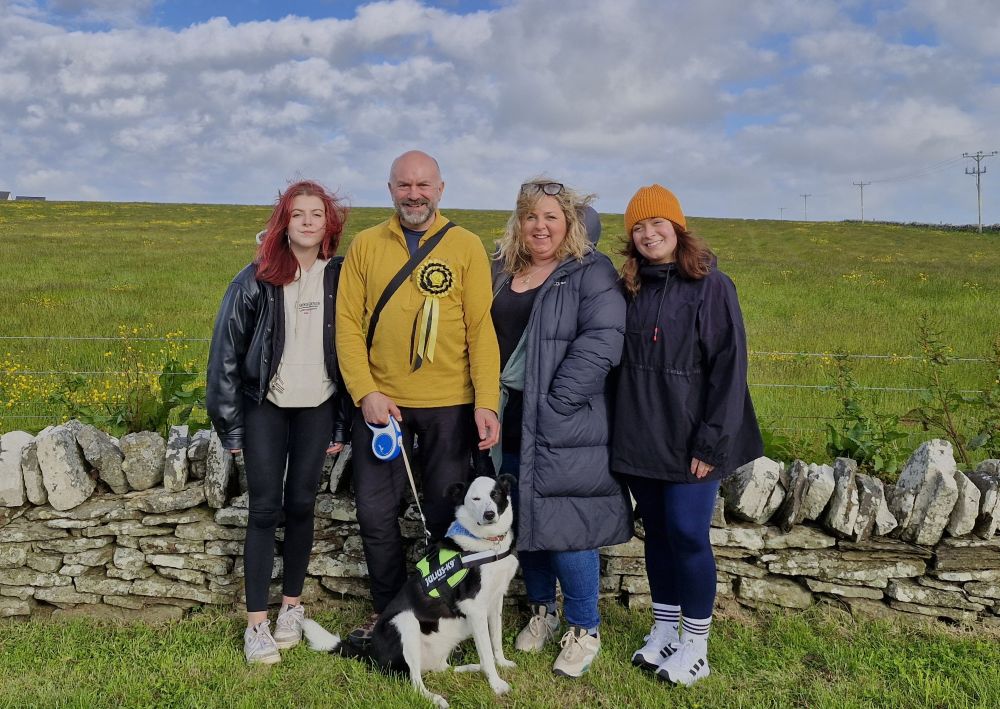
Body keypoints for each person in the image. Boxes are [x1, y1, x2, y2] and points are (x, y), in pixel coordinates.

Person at [335, 150, 501, 644]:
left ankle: (441, 613)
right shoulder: (365, 245)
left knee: (448, 516)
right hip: (383, 409)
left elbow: (480, 329)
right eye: (404, 185)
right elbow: (346, 325)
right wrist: (365, 392)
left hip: (451, 407)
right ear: (390, 190)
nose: (414, 194)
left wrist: (485, 401)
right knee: (375, 513)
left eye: (423, 185)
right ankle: (388, 611)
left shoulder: (467, 246)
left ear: (441, 189)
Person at [612, 184, 763, 685]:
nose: (649, 234)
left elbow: (729, 368)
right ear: (631, 238)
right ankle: (665, 631)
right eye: (639, 227)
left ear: (677, 228)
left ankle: (696, 645)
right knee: (657, 534)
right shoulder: (629, 288)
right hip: (641, 435)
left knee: (687, 534)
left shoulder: (712, 285)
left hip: (693, 439)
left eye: (658, 224)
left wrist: (711, 443)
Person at [206, 180, 353, 664]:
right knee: (265, 510)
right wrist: (230, 425)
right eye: (297, 214)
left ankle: (292, 606)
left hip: (319, 407)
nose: (308, 221)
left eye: (316, 214)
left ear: (329, 222)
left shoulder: (343, 277)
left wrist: (341, 425)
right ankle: (257, 624)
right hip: (265, 407)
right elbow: (225, 355)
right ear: (283, 223)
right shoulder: (255, 278)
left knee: (303, 505)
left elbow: (356, 350)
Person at [489, 178, 631, 678]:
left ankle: (585, 626)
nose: (540, 226)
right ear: (518, 222)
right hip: (505, 421)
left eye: (551, 217)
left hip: (562, 422)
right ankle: (541, 611)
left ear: (570, 222)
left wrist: (556, 401)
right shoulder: (502, 269)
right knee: (524, 521)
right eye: (531, 216)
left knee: (568, 528)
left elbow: (604, 340)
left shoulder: (590, 272)